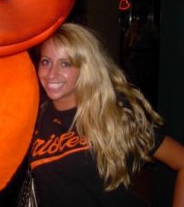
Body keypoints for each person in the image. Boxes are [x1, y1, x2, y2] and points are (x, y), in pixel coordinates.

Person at [30, 23, 184, 207]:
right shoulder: (34, 117)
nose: (51, 74)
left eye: (66, 63)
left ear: (85, 68)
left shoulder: (112, 114)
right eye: (46, 61)